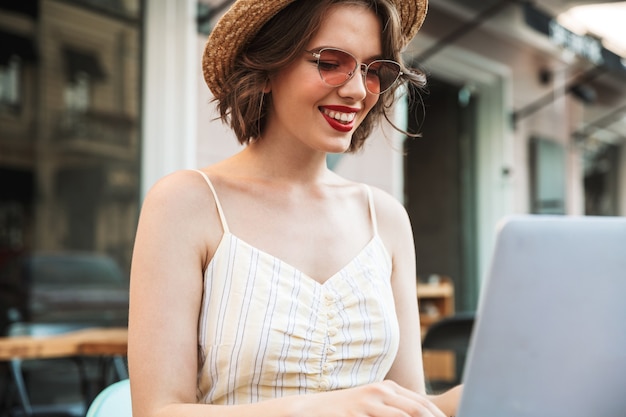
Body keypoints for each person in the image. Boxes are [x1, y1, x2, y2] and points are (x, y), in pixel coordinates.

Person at [127, 0, 462, 416]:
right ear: (267, 69)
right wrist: (327, 408)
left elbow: (410, 402)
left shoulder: (385, 218)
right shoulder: (186, 203)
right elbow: (157, 410)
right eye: (331, 62)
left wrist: (477, 396)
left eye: (373, 70)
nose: (358, 90)